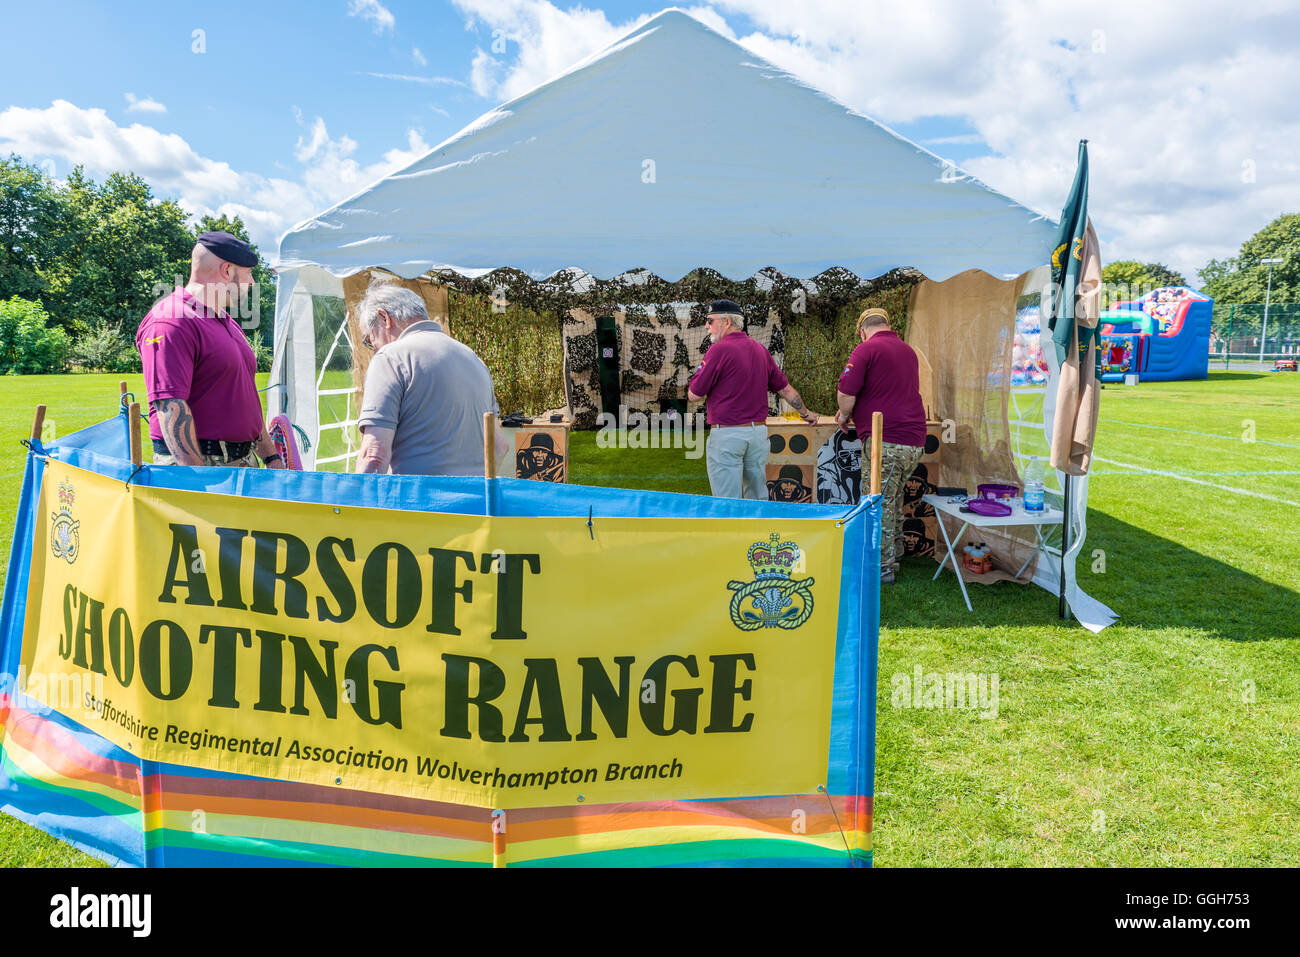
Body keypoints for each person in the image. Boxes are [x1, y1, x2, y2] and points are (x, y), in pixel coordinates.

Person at [137, 231, 284, 469]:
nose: (252, 283)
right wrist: (199, 484)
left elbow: (245, 397)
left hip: (241, 461)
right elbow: (171, 406)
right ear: (227, 271)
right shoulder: (171, 320)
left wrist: (271, 457)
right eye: (249, 273)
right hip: (203, 466)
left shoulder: (226, 321)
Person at [355, 284, 508, 475]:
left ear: (384, 318)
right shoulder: (472, 357)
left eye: (369, 340)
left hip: (418, 501)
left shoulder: (390, 357)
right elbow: (500, 446)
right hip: (479, 500)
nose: (374, 348)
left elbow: (373, 457)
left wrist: (352, 502)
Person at [687, 299, 817, 499]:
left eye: (710, 321)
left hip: (727, 435)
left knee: (726, 501)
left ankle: (732, 531)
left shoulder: (717, 350)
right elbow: (785, 389)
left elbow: (694, 395)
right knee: (757, 498)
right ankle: (757, 531)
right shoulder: (760, 350)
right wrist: (806, 413)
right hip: (758, 435)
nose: (706, 326)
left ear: (727, 322)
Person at [835, 307, 926, 584]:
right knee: (894, 498)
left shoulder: (865, 350)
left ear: (863, 332)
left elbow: (847, 392)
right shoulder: (908, 351)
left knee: (877, 503)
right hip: (914, 440)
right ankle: (895, 553)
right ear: (888, 325)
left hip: (885, 439)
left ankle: (881, 567)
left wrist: (844, 414)